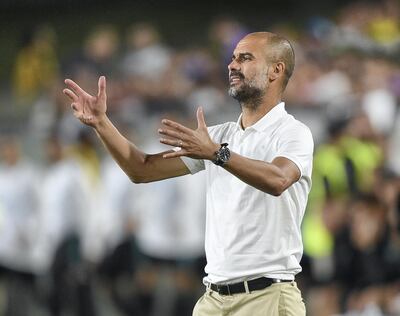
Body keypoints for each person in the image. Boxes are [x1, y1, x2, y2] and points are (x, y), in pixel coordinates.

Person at [63, 31, 314, 316]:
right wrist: (101, 124)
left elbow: (278, 179)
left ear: (275, 70)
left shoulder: (293, 133)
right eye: (232, 58)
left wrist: (217, 154)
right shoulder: (220, 136)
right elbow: (141, 169)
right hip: (213, 299)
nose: (232, 65)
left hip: (267, 298)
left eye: (245, 58)